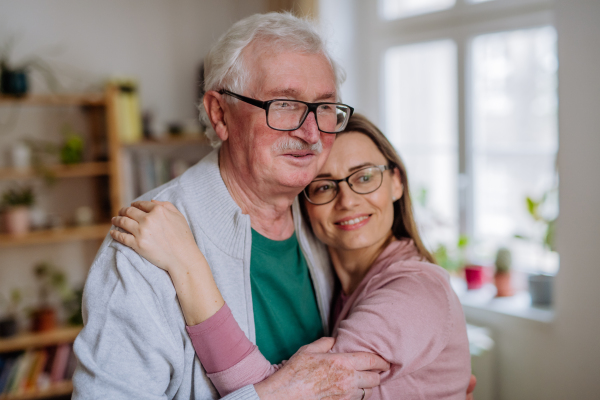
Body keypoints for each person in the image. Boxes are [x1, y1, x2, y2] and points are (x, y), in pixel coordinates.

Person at [72, 12, 390, 400]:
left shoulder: (325, 213)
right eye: (285, 105)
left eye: (324, 107)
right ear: (220, 114)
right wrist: (275, 395)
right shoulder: (145, 244)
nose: (310, 134)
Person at [111, 114, 472, 399]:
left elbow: (295, 394)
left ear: (397, 182)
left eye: (364, 178)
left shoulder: (415, 291)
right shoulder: (340, 288)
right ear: (305, 204)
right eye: (325, 186)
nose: (347, 200)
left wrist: (188, 266)